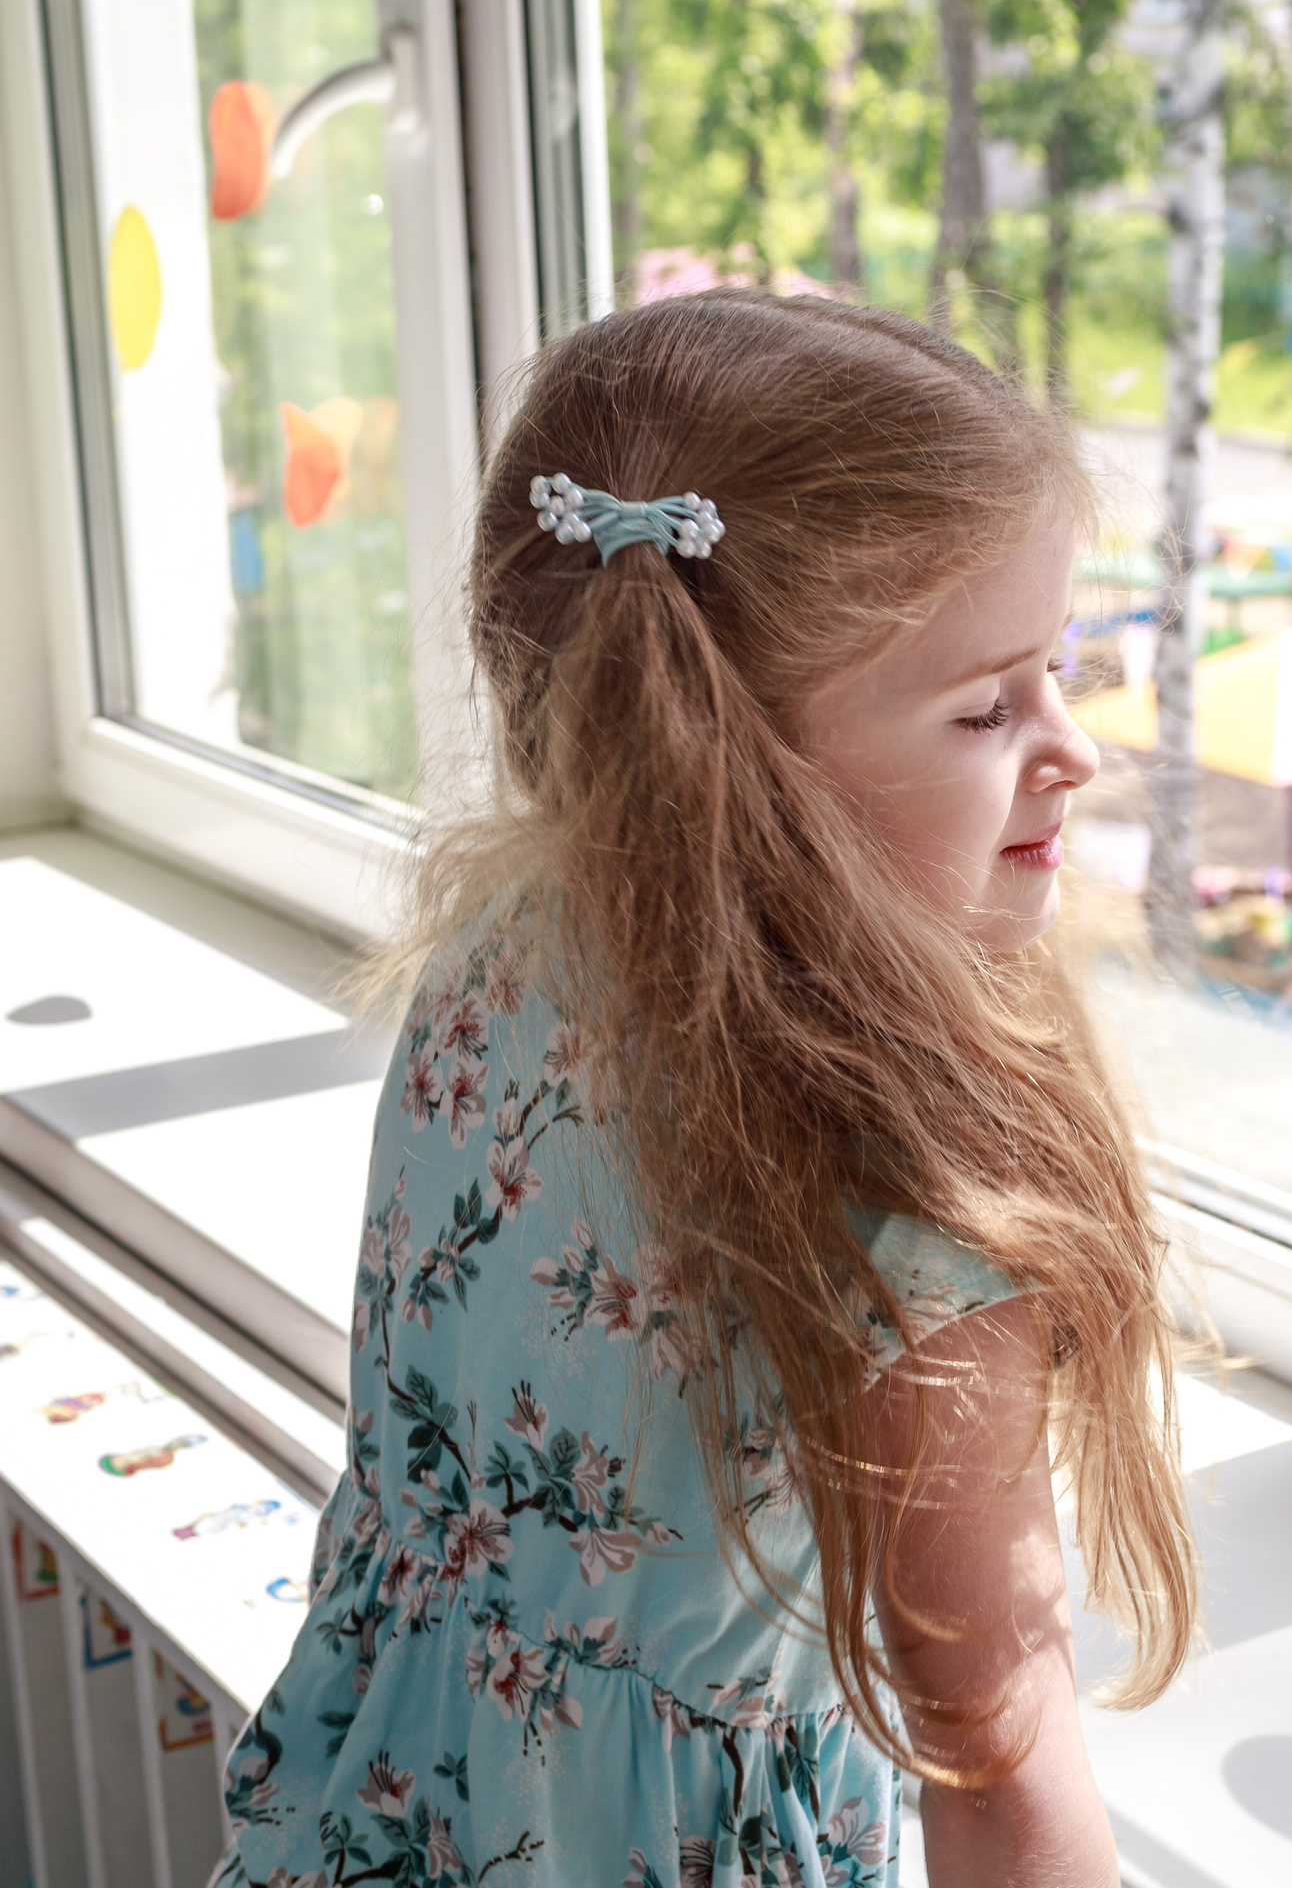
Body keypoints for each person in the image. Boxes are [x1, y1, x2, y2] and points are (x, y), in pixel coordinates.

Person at [213, 293, 1198, 1888]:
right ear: (725, 762)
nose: (1070, 745)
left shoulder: (506, 953)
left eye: (1059, 668)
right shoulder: (912, 1183)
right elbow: (1005, 1776)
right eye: (987, 705)